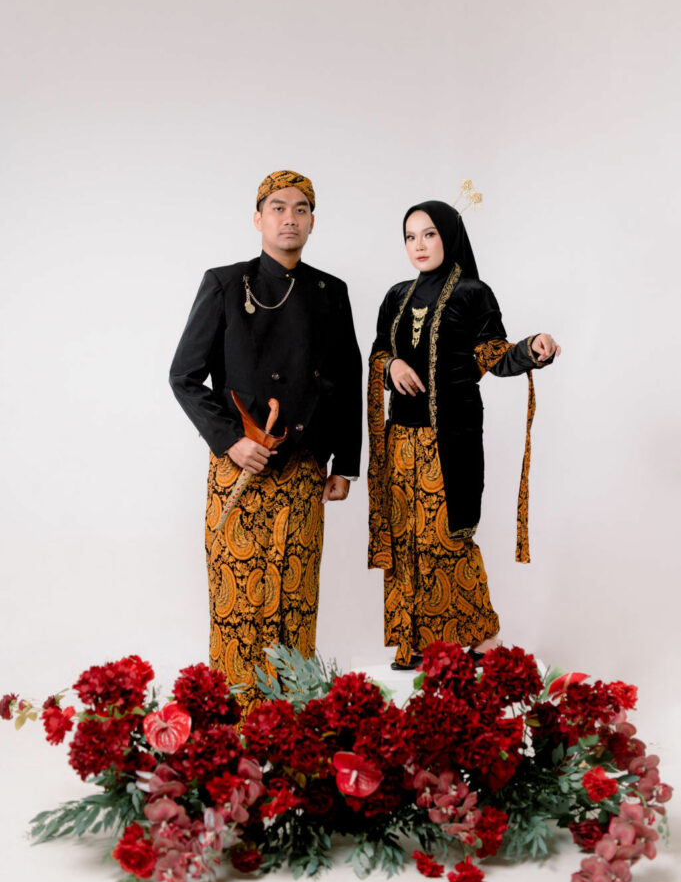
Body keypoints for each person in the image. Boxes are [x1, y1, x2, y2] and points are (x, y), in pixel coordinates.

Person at [170, 170, 362, 711]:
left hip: (302, 471)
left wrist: (345, 464)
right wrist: (231, 441)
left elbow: (347, 382)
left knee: (295, 602)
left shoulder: (331, 291)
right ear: (258, 218)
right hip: (240, 469)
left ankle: (293, 727)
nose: (289, 218)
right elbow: (184, 376)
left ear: (312, 222)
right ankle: (231, 729)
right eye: (277, 207)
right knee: (237, 606)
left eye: (301, 209)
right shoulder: (225, 283)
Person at [367, 200, 560, 670]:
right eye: (410, 236)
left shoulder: (474, 293)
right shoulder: (396, 295)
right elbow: (378, 352)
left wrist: (532, 349)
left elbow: (494, 355)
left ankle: (481, 636)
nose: (419, 245)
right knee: (405, 539)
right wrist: (392, 365)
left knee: (447, 537)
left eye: (429, 234)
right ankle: (414, 643)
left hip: (449, 438)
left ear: (449, 237)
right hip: (400, 441)